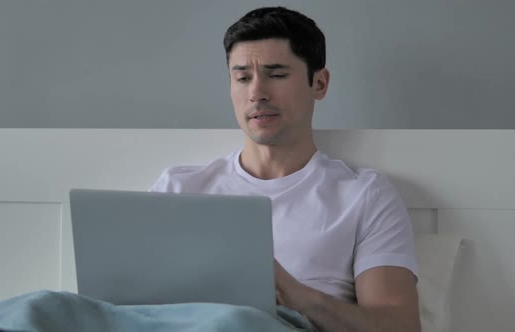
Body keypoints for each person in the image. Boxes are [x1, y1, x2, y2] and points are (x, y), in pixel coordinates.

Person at [150, 6, 421, 332]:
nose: (257, 93)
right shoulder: (177, 190)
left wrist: (296, 296)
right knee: (70, 306)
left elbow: (400, 326)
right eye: (242, 78)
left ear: (319, 83)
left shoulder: (363, 195)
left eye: (276, 74)